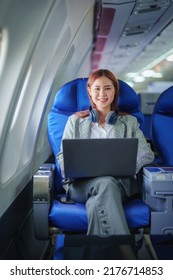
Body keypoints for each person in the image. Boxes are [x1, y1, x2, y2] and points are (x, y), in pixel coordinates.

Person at [57, 69, 154, 238]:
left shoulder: (129, 122)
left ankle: (99, 255)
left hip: (119, 185)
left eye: (108, 88)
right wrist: (72, 168)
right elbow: (63, 155)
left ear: (115, 91)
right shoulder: (75, 121)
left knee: (98, 199)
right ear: (89, 91)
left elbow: (146, 154)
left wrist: (128, 165)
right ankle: (124, 253)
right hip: (81, 185)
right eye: (97, 88)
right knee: (105, 183)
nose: (102, 93)